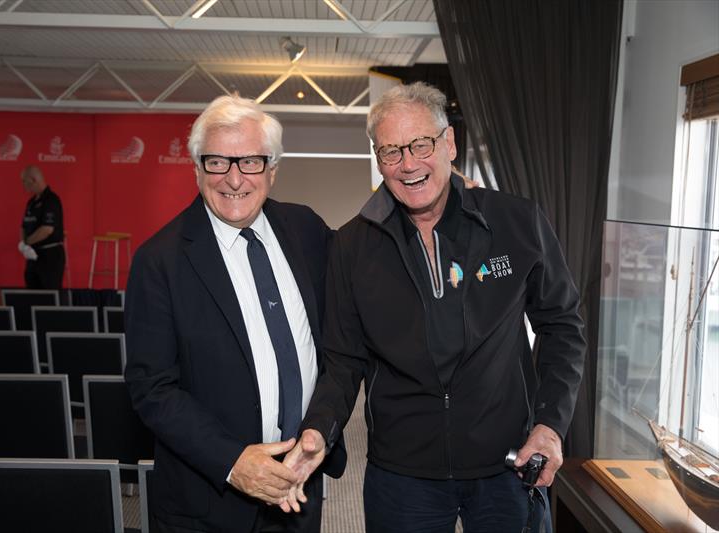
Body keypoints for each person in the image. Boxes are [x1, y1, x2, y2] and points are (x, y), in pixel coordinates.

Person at [283, 82, 586, 532]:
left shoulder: (517, 222)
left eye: (420, 144)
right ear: (378, 160)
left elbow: (562, 326)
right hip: (402, 474)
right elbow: (344, 360)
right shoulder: (351, 246)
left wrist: (550, 423)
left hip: (508, 463)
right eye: (390, 152)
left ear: (449, 143)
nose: (408, 165)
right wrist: (318, 430)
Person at [124, 95, 345, 533]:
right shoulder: (159, 260)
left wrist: (320, 429)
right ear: (196, 168)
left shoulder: (307, 231)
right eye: (217, 162)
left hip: (298, 490)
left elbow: (338, 345)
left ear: (273, 169)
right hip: (208, 504)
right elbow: (151, 388)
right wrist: (233, 462)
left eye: (250, 162)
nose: (234, 178)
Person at [19, 165, 65, 289]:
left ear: (33, 179)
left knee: (48, 294)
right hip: (32, 256)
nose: (23, 185)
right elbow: (23, 225)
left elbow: (47, 229)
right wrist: (23, 244)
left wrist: (27, 243)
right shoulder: (31, 202)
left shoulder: (51, 200)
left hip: (49, 256)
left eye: (25, 181)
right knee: (32, 290)